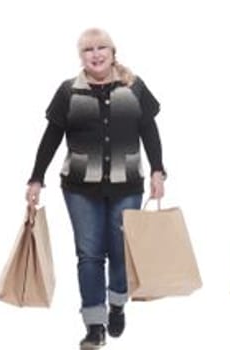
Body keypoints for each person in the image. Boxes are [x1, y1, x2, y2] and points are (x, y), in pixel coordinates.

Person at [27, 28, 166, 350]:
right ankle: (94, 325)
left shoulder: (134, 87)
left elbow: (149, 130)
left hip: (127, 184)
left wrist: (158, 171)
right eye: (88, 49)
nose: (96, 53)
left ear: (113, 51)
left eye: (101, 47)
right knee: (89, 255)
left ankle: (117, 303)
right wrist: (36, 178)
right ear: (81, 57)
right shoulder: (68, 92)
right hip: (79, 187)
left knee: (120, 252)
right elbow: (51, 137)